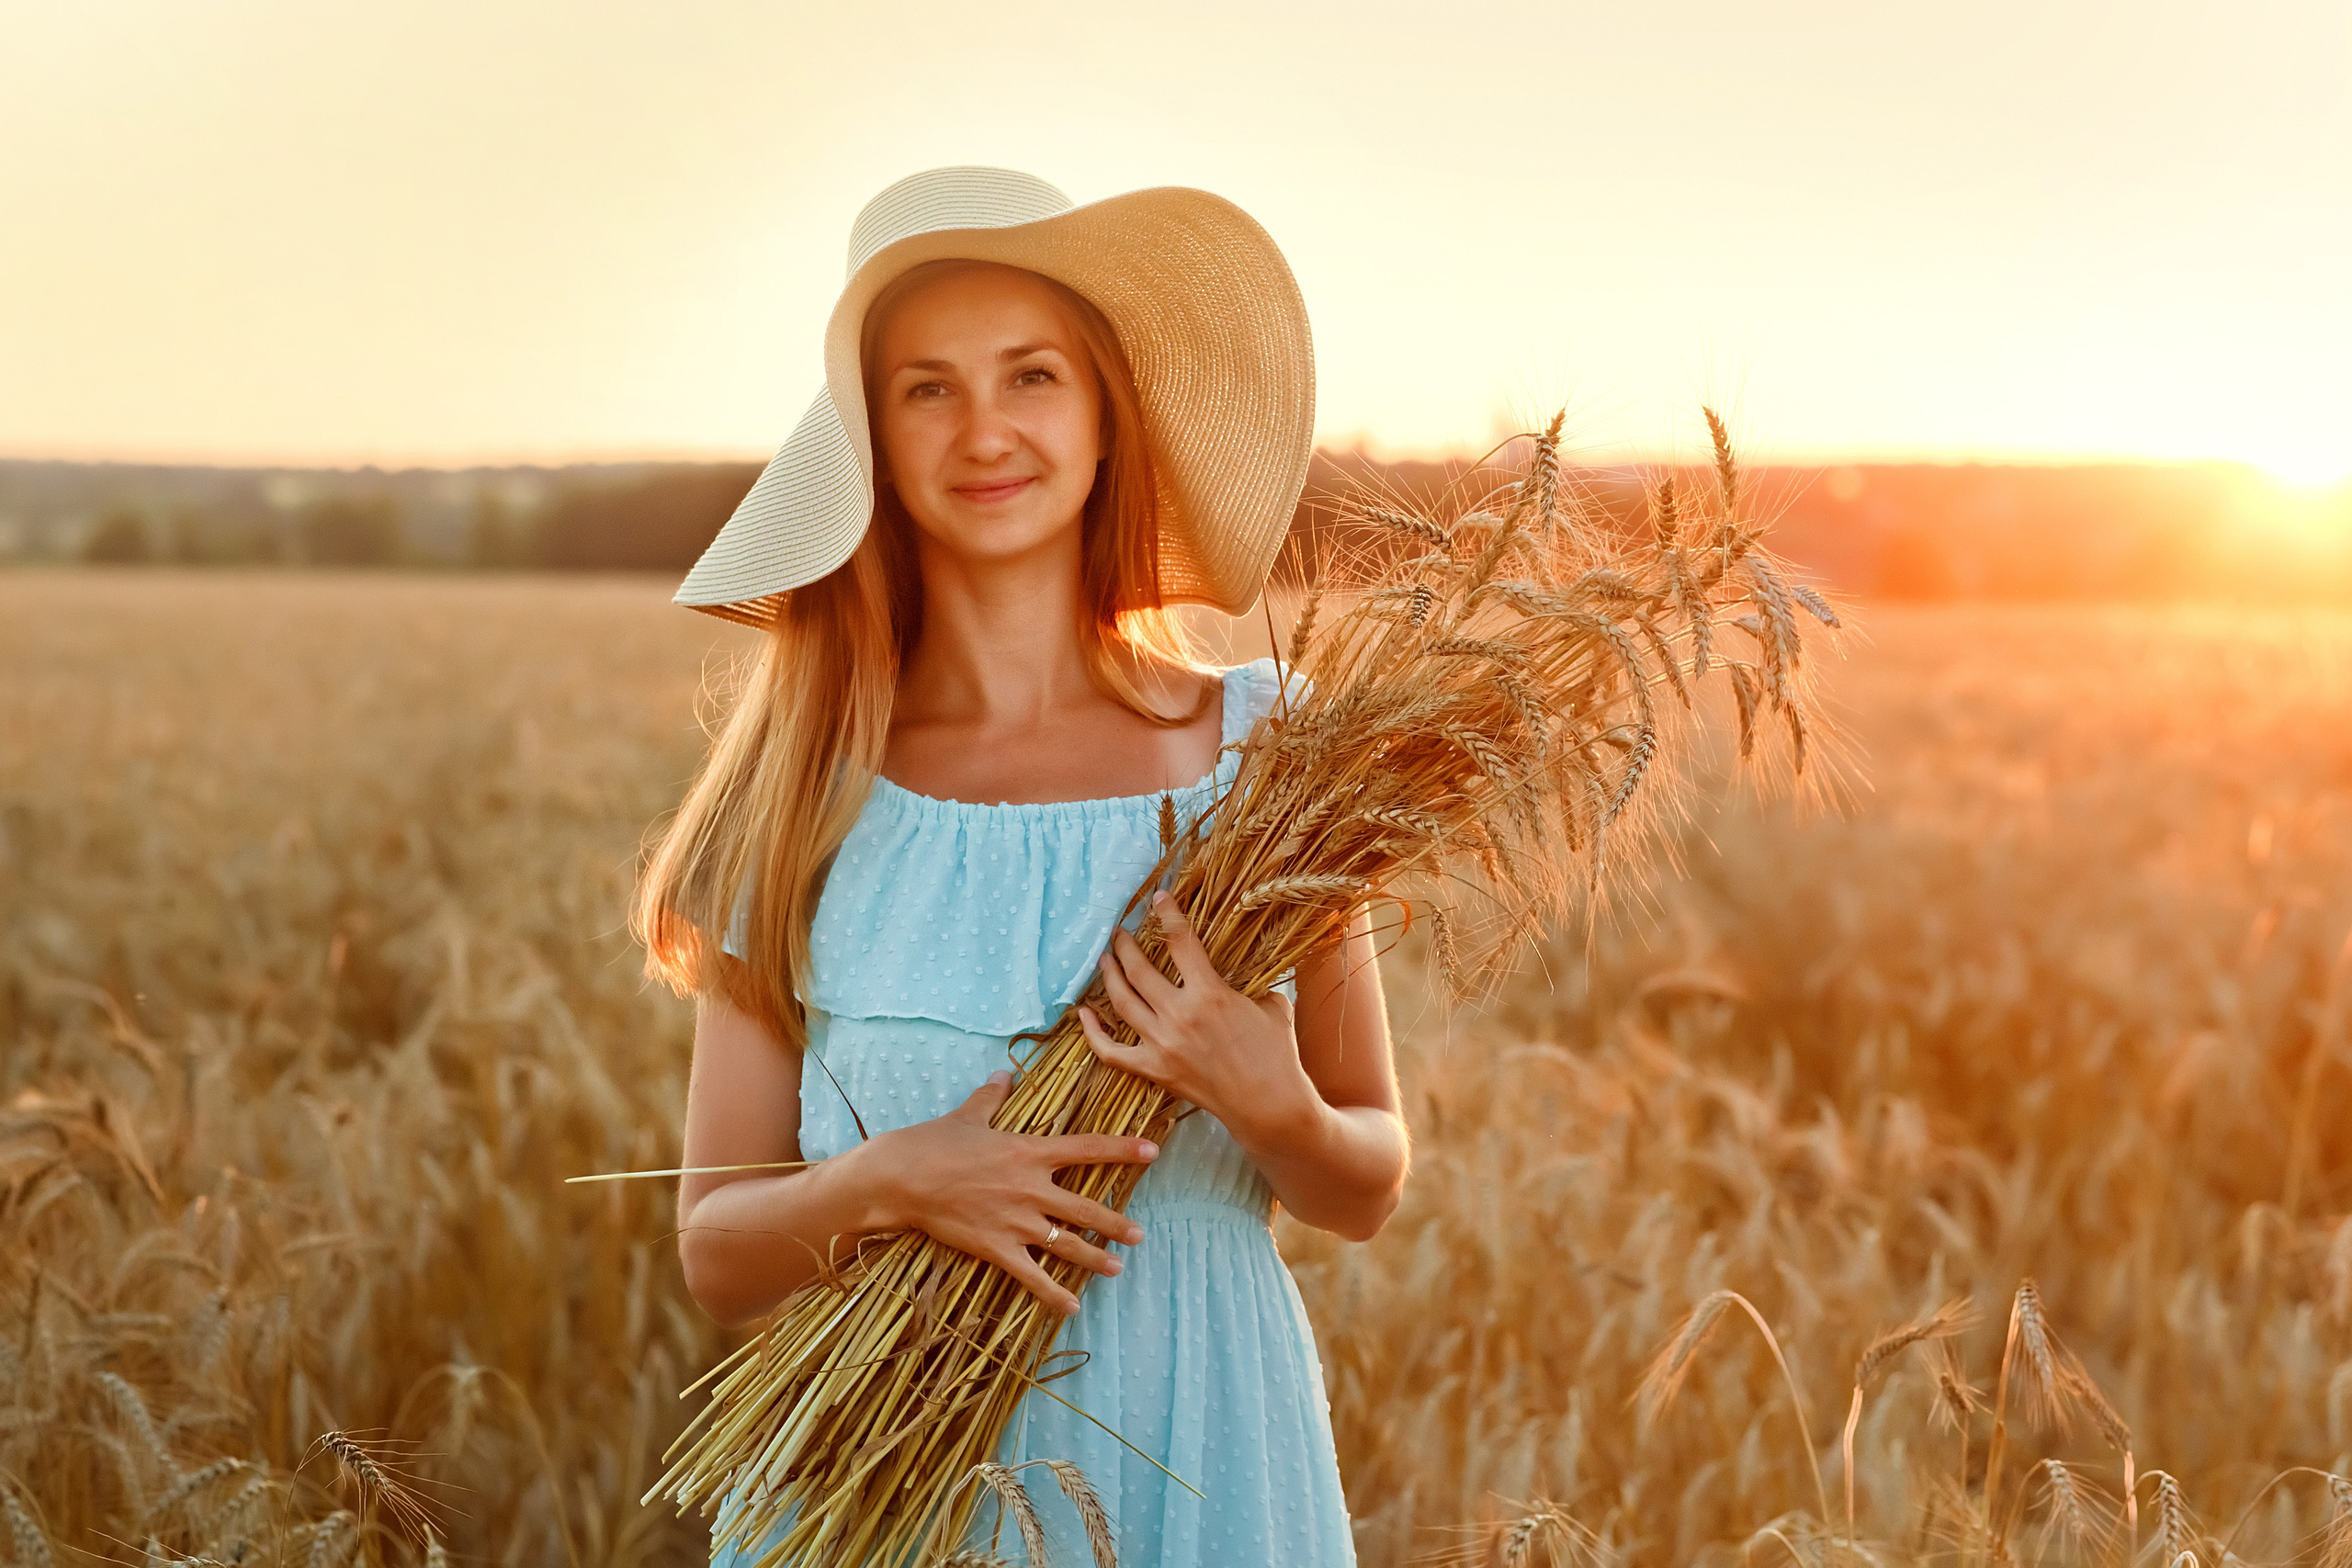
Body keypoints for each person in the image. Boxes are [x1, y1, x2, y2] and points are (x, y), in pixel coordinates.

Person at [635, 166, 1409, 1567]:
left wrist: (1267, 1095)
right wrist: (889, 1183)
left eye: (1031, 376)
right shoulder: (801, 792)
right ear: (873, 440)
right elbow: (716, 1250)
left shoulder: (1271, 758)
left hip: (1204, 1456)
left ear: (1108, 415)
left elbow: (1367, 1175)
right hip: (883, 1498)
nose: (983, 430)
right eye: (926, 388)